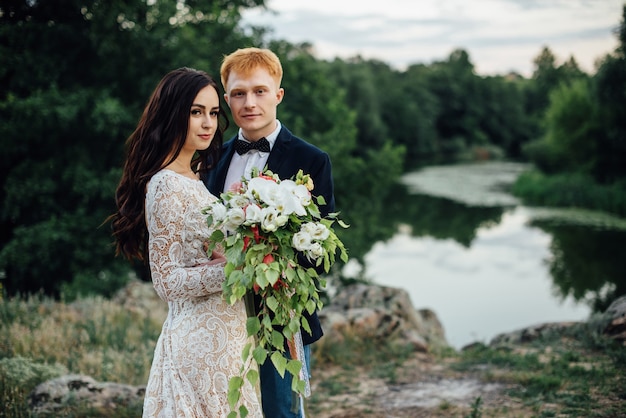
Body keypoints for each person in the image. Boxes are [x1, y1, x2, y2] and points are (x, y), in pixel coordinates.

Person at [109, 67, 263, 417]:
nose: (208, 123)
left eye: (212, 113)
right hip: (199, 346)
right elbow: (167, 282)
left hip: (229, 342)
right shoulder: (165, 184)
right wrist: (237, 270)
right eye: (196, 112)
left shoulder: (193, 179)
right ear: (172, 114)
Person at [203, 47, 335, 418]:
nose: (250, 102)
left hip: (282, 315)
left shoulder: (312, 160)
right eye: (239, 93)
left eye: (260, 91)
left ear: (278, 95)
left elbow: (319, 251)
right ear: (227, 99)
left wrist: (261, 259)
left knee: (281, 413)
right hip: (219, 314)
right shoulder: (211, 159)